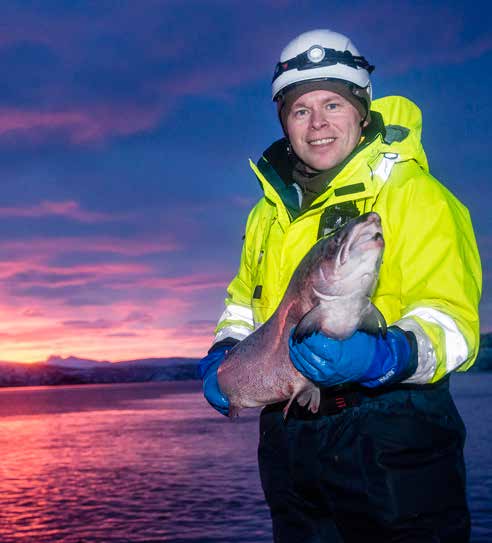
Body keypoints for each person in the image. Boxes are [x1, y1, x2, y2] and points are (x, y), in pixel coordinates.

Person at [198, 29, 482, 542]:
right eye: (300, 110)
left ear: (362, 108)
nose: (318, 123)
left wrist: (388, 355)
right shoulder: (267, 214)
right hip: (289, 441)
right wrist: (224, 351)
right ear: (284, 123)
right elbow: (243, 302)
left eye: (333, 103)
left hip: (395, 438)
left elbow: (453, 322)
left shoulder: (417, 196)